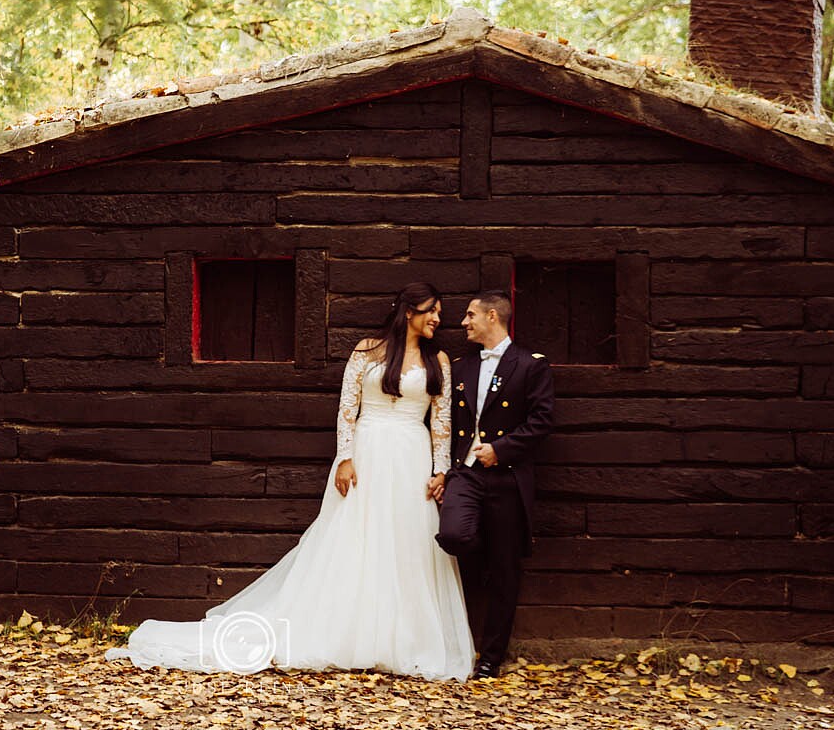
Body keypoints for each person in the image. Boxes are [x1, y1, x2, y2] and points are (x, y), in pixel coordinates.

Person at [107, 283, 472, 680]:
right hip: (368, 451)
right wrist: (345, 458)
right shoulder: (368, 350)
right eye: (431, 310)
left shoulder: (439, 360)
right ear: (407, 311)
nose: (438, 318)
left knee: (408, 544)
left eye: (439, 311)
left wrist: (440, 471)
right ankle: (351, 633)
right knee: (356, 540)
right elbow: (347, 408)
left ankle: (405, 640)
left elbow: (442, 421)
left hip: (411, 456)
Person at [436, 291, 555, 680]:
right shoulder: (462, 366)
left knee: (505, 572)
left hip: (506, 477)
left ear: (492, 316)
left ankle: (490, 658)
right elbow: (447, 423)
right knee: (454, 536)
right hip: (466, 474)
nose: (464, 322)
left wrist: (501, 449)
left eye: (470, 315)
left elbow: (541, 422)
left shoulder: (530, 365)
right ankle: (478, 554)